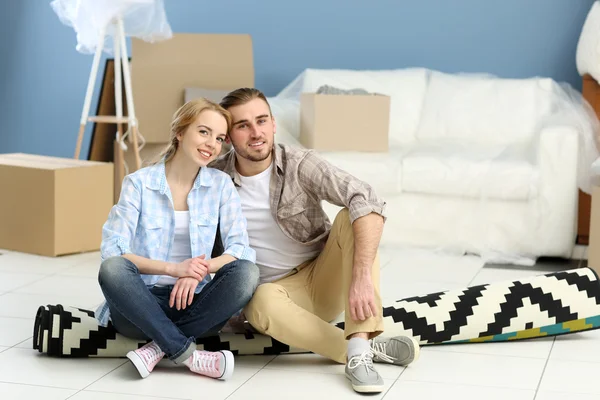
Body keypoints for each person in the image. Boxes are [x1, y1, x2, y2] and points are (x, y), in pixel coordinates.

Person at [209, 88, 419, 394]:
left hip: (324, 278)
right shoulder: (213, 178)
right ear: (227, 137)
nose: (256, 133)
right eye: (243, 126)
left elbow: (367, 198)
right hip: (276, 297)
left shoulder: (298, 162)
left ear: (274, 123)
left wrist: (359, 278)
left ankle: (360, 342)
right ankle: (359, 352)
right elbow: (166, 175)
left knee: (353, 216)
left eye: (262, 120)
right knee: (259, 301)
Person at [95, 98, 259, 381]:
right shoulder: (139, 184)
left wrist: (199, 271)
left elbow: (240, 249)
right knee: (112, 269)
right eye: (204, 132)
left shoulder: (220, 186)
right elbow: (113, 249)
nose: (212, 144)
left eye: (219, 138)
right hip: (141, 305)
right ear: (180, 132)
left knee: (247, 272)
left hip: (197, 305)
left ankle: (160, 346)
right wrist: (174, 269)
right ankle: (190, 356)